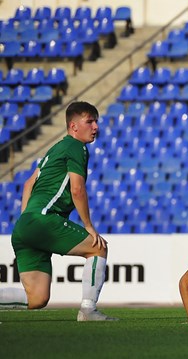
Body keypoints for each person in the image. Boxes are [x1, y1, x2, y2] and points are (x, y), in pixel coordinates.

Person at [0, 101, 116, 321]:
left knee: (36, 298)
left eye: (96, 122)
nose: (95, 127)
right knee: (97, 248)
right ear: (73, 126)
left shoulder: (54, 149)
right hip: (44, 220)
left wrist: (27, 220)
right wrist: (89, 226)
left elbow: (27, 185)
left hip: (25, 224)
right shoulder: (76, 146)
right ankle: (88, 310)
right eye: (89, 121)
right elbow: (77, 188)